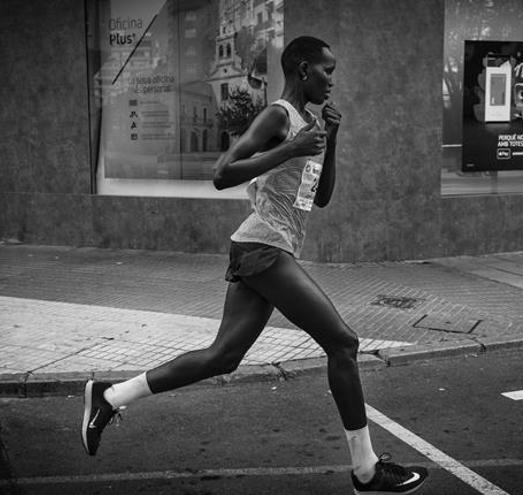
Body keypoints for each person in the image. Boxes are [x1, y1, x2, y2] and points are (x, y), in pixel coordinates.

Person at [81, 36, 429, 494]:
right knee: (343, 343)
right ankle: (366, 470)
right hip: (264, 247)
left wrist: (331, 141)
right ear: (303, 69)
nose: (332, 79)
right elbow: (223, 173)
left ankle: (110, 396)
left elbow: (319, 198)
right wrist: (290, 147)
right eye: (327, 70)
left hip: (264, 249)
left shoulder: (307, 124)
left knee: (223, 356)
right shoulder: (278, 116)